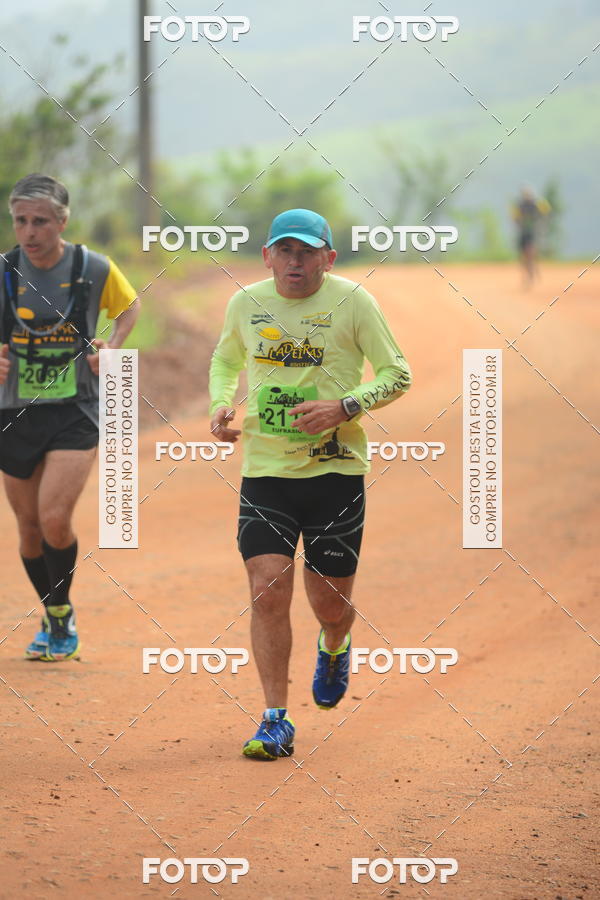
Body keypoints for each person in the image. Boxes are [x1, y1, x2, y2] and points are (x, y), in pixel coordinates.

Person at [209, 208, 412, 759]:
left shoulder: (354, 302)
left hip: (335, 473)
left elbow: (398, 373)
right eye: (285, 251)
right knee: (266, 587)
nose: (294, 262)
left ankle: (336, 642)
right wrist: (221, 402)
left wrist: (345, 406)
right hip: (266, 472)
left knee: (329, 602)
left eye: (307, 252)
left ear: (328, 257)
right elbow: (226, 359)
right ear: (267, 256)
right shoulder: (245, 303)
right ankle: (275, 718)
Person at [0, 173, 140, 661]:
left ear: (62, 221)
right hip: (13, 411)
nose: (30, 231)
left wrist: (113, 348)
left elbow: (129, 307)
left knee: (54, 518)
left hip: (74, 409)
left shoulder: (92, 267)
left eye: (40, 221)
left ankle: (59, 616)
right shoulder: (3, 271)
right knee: (29, 530)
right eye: (20, 221)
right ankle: (54, 612)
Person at [512, 186, 551, 288]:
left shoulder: (536, 204)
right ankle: (527, 275)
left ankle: (532, 271)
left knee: (531, 253)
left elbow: (546, 212)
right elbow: (515, 217)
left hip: (532, 233)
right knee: (523, 256)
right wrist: (519, 223)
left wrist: (540, 224)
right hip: (523, 233)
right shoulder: (520, 205)